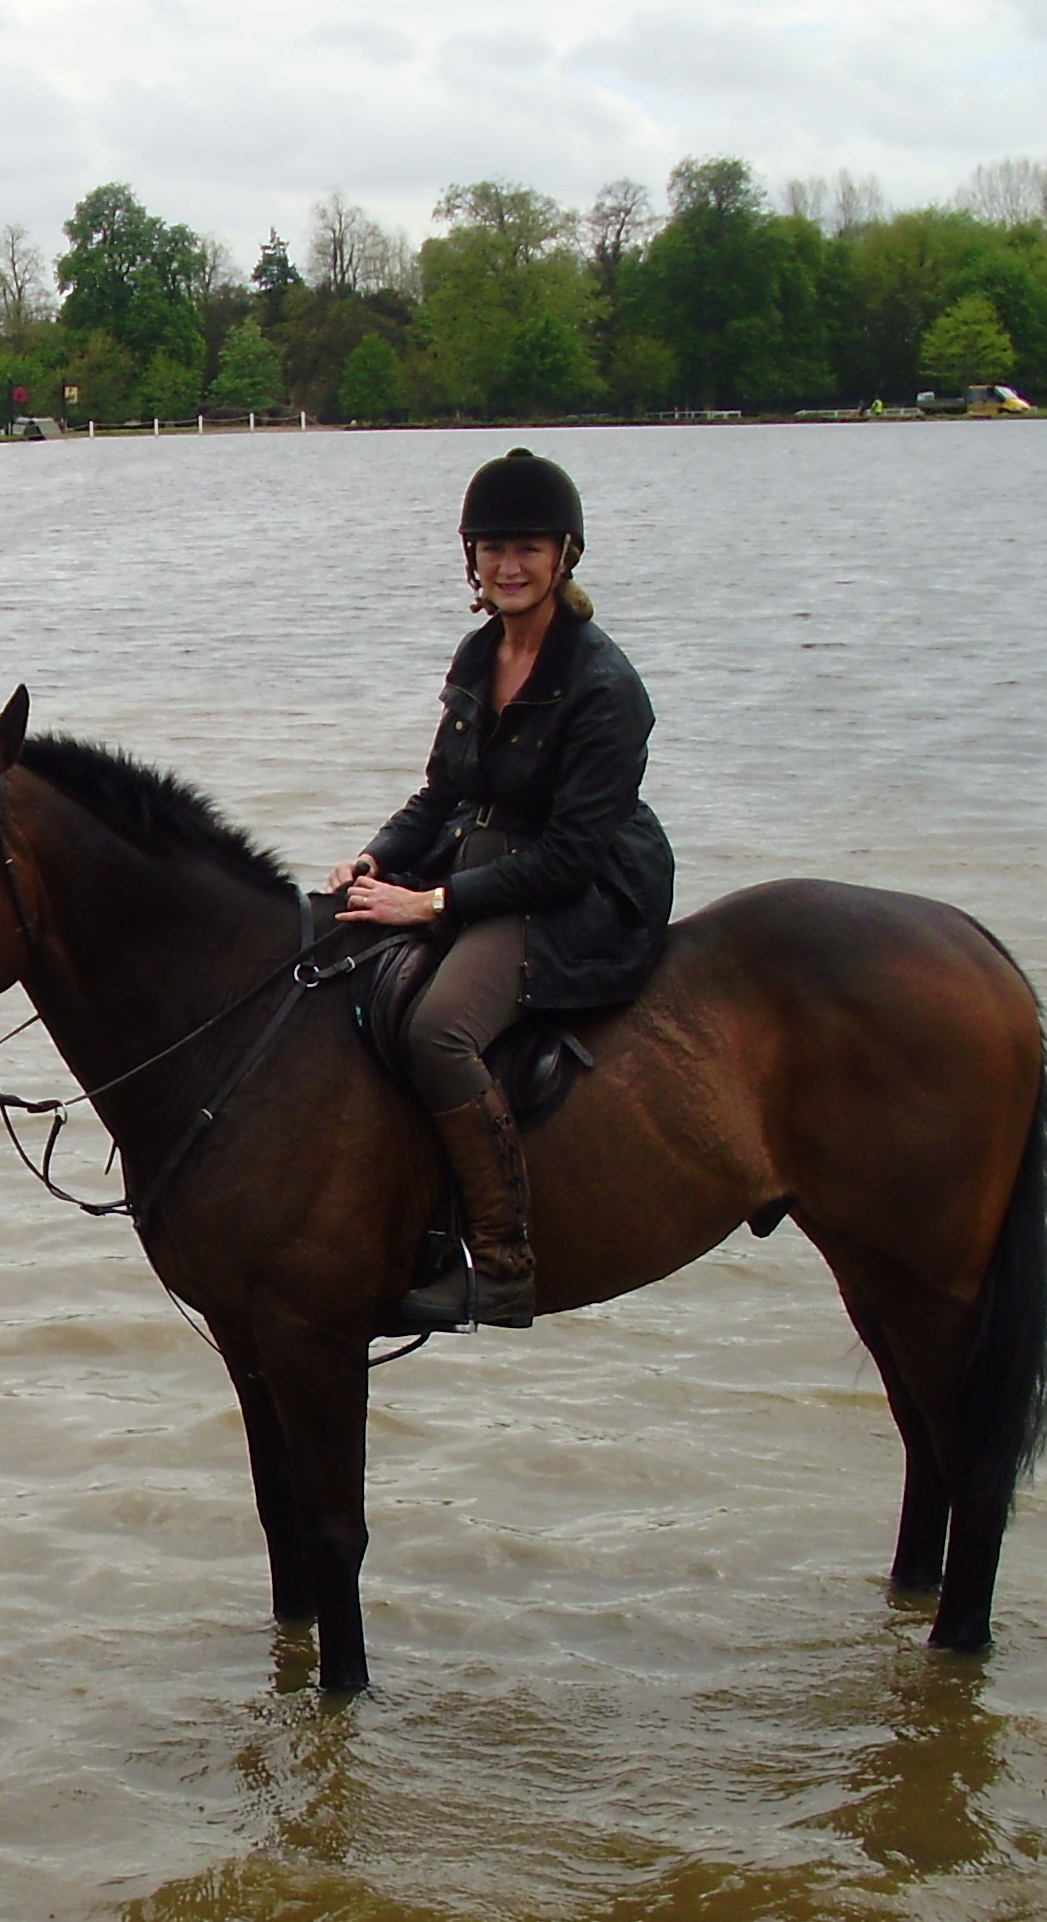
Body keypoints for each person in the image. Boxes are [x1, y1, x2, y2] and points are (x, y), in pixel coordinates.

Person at [327, 448, 673, 1330]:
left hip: (582, 893)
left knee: (441, 1029)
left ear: (564, 556)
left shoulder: (605, 687)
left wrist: (430, 904)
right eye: (492, 548)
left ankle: (505, 1260)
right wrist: (374, 861)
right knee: (335, 952)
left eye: (527, 548)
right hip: (486, 860)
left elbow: (568, 858)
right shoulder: (481, 655)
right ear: (471, 559)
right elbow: (440, 794)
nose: (508, 566)